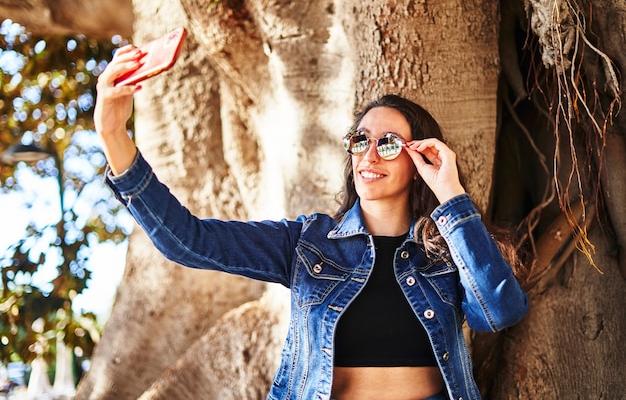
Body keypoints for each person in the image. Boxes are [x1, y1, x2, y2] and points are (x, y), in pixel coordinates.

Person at [94, 45, 529, 400]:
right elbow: (188, 241)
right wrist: (114, 134)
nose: (370, 154)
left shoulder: (449, 249)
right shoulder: (308, 243)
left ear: (419, 160)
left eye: (390, 143)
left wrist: (450, 194)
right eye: (360, 141)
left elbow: (500, 310)